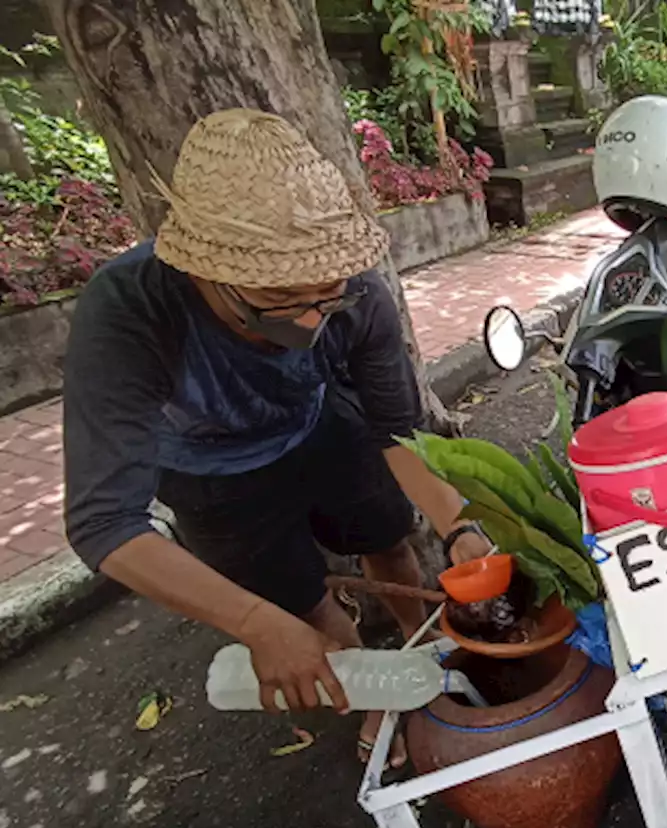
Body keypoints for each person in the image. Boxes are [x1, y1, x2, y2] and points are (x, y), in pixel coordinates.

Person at [62, 109, 490, 767]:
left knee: (387, 538)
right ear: (207, 273)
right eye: (284, 304)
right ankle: (379, 692)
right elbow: (103, 521)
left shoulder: (358, 294)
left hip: (321, 425)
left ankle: (420, 645)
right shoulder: (131, 310)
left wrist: (460, 528)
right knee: (306, 609)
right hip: (213, 472)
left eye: (329, 296)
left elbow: (395, 428)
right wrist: (258, 624)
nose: (316, 319)